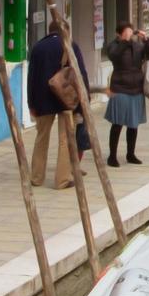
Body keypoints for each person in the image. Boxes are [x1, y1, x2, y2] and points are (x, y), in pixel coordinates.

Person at [25, 23, 90, 190]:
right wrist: (85, 100)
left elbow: (31, 78)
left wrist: (31, 103)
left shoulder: (38, 47)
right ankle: (62, 180)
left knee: (42, 138)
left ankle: (36, 177)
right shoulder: (70, 45)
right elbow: (81, 74)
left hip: (42, 100)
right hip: (66, 100)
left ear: (49, 30)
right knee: (65, 139)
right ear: (66, 31)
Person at [104, 24, 149, 168]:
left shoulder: (137, 45)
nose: (129, 34)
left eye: (130, 31)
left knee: (133, 124)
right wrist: (125, 41)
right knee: (117, 123)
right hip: (120, 88)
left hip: (136, 88)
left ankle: (130, 154)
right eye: (126, 32)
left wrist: (146, 40)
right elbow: (114, 56)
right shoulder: (114, 46)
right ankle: (112, 156)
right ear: (118, 34)